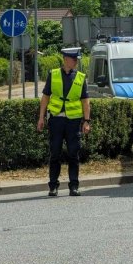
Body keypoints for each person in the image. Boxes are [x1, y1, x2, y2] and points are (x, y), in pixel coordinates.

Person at [37, 47, 90, 197]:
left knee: (74, 153)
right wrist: (41, 117)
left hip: (73, 122)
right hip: (56, 120)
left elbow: (85, 102)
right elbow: (45, 97)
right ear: (66, 59)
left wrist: (86, 121)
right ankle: (53, 186)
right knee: (55, 153)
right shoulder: (52, 74)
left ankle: (74, 186)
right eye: (74, 60)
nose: (76, 62)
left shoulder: (80, 77)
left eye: (77, 60)